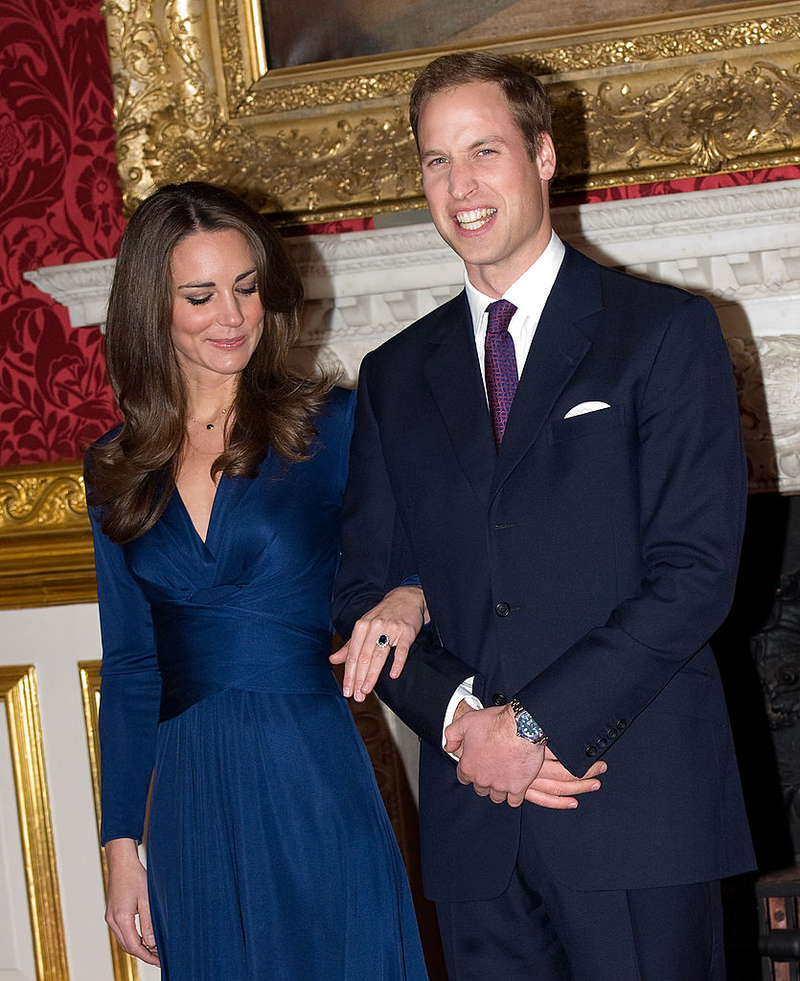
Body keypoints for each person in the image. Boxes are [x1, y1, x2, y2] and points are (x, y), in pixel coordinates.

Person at [333, 52, 756, 980]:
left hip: (632, 808)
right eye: (436, 160)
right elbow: (365, 589)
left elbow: (694, 575)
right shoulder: (394, 376)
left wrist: (528, 727)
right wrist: (460, 721)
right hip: (475, 831)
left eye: (484, 150)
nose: (461, 185)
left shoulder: (665, 332)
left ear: (545, 155)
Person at [85, 181, 431, 980]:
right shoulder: (114, 466)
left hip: (310, 766)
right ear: (153, 308)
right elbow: (133, 665)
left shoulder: (334, 425)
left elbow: (430, 551)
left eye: (246, 287)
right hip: (187, 798)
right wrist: (120, 848)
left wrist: (410, 595)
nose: (233, 316)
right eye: (200, 296)